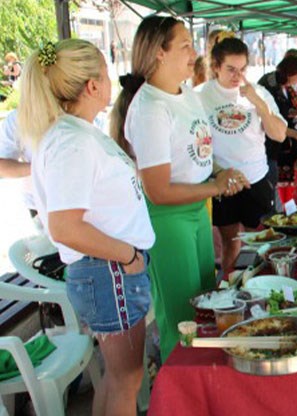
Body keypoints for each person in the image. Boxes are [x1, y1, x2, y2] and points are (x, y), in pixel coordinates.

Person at [18, 38, 154, 416]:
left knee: (117, 378)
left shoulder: (77, 133)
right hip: (109, 270)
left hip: (110, 270)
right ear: (92, 86)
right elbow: (64, 227)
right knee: (127, 381)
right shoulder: (70, 142)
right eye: (106, 74)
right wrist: (127, 255)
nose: (111, 80)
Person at [110, 16, 244, 362]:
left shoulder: (184, 94)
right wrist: (214, 186)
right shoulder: (150, 108)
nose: (194, 52)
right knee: (181, 320)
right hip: (170, 219)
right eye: (184, 45)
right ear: (158, 53)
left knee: (206, 304)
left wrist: (220, 171)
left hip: (197, 210)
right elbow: (158, 191)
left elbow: (198, 152)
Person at [198, 38, 286, 273]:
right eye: (231, 69)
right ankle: (228, 286)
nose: (238, 76)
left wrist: (257, 102)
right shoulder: (200, 96)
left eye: (243, 69)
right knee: (231, 242)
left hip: (256, 178)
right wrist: (219, 174)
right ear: (216, 66)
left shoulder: (259, 93)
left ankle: (269, 286)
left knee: (267, 242)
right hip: (223, 182)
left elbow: (278, 134)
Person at [258, 53, 297, 194]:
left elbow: (282, 109)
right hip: (269, 143)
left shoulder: (281, 84)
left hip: (282, 140)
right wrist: (295, 134)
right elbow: (271, 118)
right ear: (289, 72)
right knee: (272, 179)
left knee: (287, 177)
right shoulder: (269, 86)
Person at [0, 110, 35, 216]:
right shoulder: (18, 118)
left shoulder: (81, 106)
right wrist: (38, 169)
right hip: (38, 203)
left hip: (83, 201)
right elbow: (3, 166)